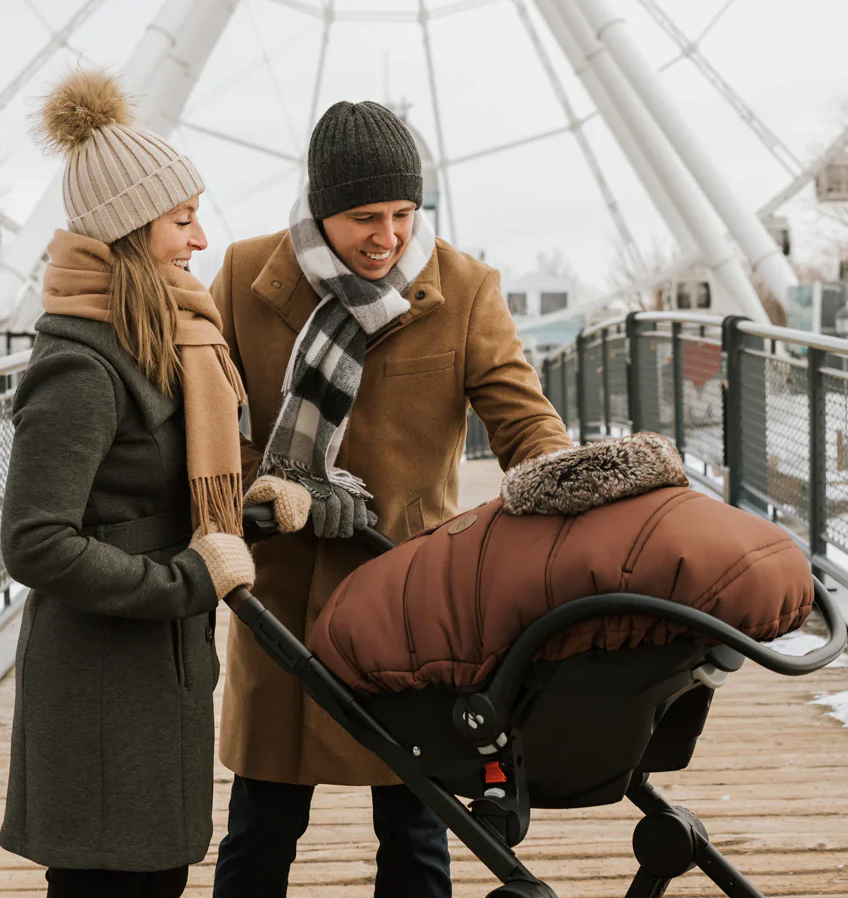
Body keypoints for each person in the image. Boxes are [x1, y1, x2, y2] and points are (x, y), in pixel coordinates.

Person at [210, 100, 575, 897]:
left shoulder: (466, 285)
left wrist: (568, 488)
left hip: (408, 597)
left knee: (416, 829)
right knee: (262, 825)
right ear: (318, 207)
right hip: (281, 597)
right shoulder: (242, 274)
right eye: (364, 216)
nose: (389, 237)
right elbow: (202, 425)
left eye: (405, 213)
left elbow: (523, 421)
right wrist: (273, 486)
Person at [0, 69, 256, 898]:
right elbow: (35, 542)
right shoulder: (80, 365)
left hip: (155, 666)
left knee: (152, 879)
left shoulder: (162, 334)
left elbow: (168, 491)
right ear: (131, 229)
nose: (201, 239)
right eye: (182, 220)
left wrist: (260, 509)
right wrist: (188, 579)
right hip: (103, 686)